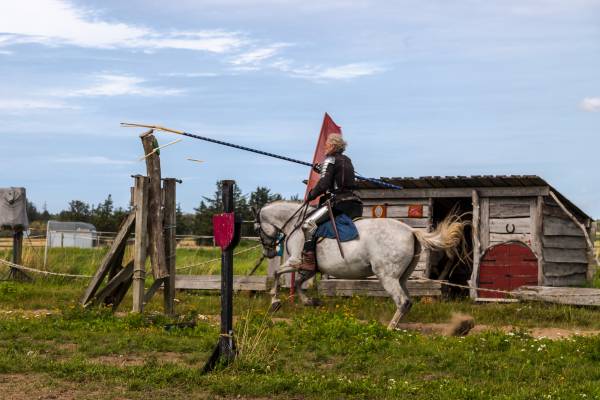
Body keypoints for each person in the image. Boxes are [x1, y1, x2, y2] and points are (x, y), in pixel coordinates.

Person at [295, 134, 363, 271]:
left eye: (326, 144)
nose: (325, 147)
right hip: (354, 203)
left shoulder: (330, 159)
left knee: (308, 224)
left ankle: (309, 261)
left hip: (338, 203)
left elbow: (324, 184)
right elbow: (339, 177)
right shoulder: (347, 160)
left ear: (332, 146)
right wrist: (322, 169)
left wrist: (311, 195)